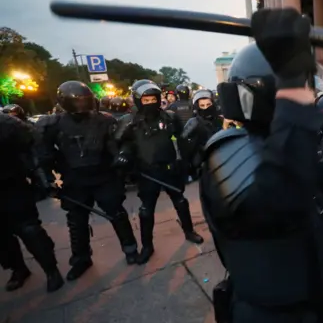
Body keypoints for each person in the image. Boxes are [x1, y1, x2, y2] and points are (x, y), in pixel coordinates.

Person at [200, 8, 323, 323]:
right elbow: (279, 199)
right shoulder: (227, 154)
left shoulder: (282, 146)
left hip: (319, 303)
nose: (308, 96)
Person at [36, 81, 139, 280]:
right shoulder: (53, 125)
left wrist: (122, 156)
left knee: (117, 213)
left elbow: (120, 143)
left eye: (84, 100)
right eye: (77, 101)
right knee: (76, 221)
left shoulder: (105, 120)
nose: (81, 105)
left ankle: (130, 248)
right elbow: (43, 154)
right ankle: (81, 258)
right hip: (74, 179)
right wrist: (46, 179)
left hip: (104, 175)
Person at [115, 80, 204, 265]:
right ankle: (147, 246)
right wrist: (124, 155)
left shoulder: (170, 117)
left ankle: (189, 231)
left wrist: (185, 161)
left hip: (170, 168)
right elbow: (123, 143)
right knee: (146, 210)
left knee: (180, 201)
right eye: (146, 100)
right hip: (147, 172)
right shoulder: (130, 121)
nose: (150, 103)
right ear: (139, 100)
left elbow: (181, 139)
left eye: (152, 99)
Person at [0, 113, 64, 293]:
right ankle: (17, 269)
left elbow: (34, 146)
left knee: (30, 230)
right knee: (2, 237)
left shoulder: (6, 123)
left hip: (11, 184)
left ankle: (51, 270)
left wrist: (41, 178)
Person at [181, 89, 223, 174]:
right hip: (204, 163)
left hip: (222, 159)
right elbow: (182, 140)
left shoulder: (220, 119)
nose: (206, 108)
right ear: (197, 107)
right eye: (202, 105)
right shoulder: (194, 122)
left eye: (208, 104)